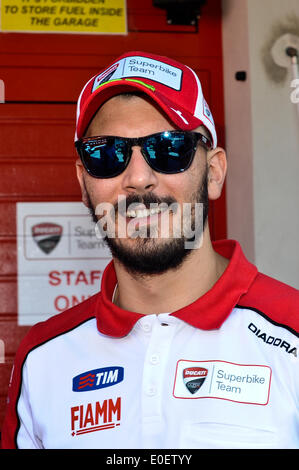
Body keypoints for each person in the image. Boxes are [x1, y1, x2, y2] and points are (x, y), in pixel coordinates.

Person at [2, 51, 299, 449]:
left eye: (169, 148)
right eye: (106, 154)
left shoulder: (291, 334)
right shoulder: (42, 359)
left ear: (213, 173)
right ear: (84, 183)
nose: (138, 178)